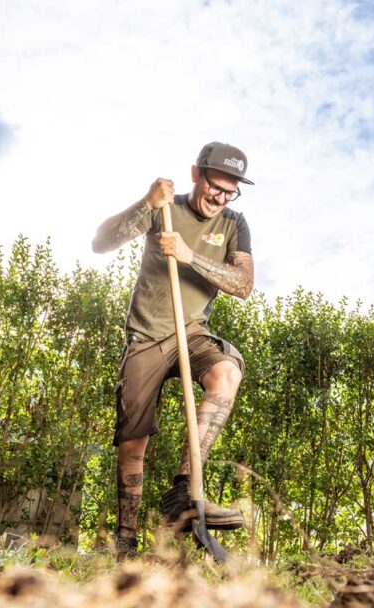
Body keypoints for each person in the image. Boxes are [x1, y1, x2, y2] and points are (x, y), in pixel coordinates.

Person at [92, 141, 255, 557]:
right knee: (133, 445)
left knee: (227, 373)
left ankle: (183, 491)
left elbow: (243, 285)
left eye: (229, 191)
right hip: (146, 335)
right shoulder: (164, 207)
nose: (220, 198)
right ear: (196, 174)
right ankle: (126, 541)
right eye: (215, 186)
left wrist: (189, 256)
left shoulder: (235, 224)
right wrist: (145, 202)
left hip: (192, 332)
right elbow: (101, 242)